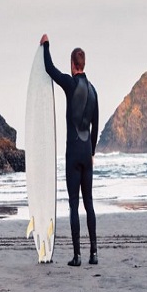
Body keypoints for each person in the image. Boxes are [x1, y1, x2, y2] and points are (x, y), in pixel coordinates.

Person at [40, 34, 99, 267]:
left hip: (73, 153)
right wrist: (92, 153)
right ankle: (94, 253)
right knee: (90, 204)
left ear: (73, 65)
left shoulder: (70, 83)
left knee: (74, 203)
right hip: (86, 153)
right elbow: (95, 127)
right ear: (83, 64)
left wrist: (45, 45)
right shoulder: (94, 91)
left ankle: (77, 256)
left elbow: (48, 68)